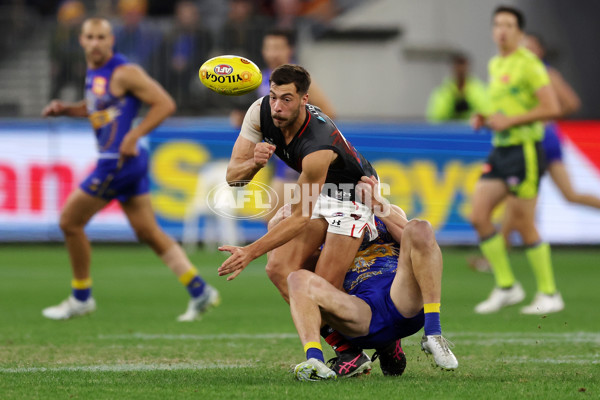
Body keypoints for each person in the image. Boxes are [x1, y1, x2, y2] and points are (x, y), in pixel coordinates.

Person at [40, 18, 219, 322]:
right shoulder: (97, 71)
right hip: (128, 163)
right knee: (148, 232)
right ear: (81, 41)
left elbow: (165, 104)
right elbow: (98, 105)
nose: (95, 43)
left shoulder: (125, 72)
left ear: (112, 41)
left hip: (116, 162)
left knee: (70, 222)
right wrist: (68, 109)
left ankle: (81, 296)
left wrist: (135, 135)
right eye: (90, 37)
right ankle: (199, 290)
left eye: (101, 37)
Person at [218, 64, 378, 376]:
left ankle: (385, 342)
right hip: (314, 191)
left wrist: (249, 251)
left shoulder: (317, 143)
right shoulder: (259, 112)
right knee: (279, 269)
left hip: (352, 193)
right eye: (274, 96)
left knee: (324, 288)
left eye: (287, 99)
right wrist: (254, 162)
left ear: (304, 99)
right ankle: (345, 352)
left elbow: (300, 216)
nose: (277, 107)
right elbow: (233, 178)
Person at [280, 176, 458, 380]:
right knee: (296, 279)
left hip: (402, 296)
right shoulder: (320, 225)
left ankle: (433, 332)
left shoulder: (385, 212)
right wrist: (283, 221)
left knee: (420, 227)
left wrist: (378, 204)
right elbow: (296, 265)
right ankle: (315, 361)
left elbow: (420, 243)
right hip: (359, 311)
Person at [469, 6, 563, 315]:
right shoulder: (497, 63)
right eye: (498, 24)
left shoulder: (529, 64)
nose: (502, 30)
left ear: (519, 32)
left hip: (524, 150)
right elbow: (505, 107)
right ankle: (507, 286)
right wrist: (486, 118)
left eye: (509, 25)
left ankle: (550, 293)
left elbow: (552, 107)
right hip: (501, 149)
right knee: (478, 214)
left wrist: (511, 122)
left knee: (523, 222)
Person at [258, 28, 336, 221]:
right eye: (269, 47)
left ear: (289, 50)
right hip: (278, 159)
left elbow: (329, 112)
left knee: (280, 219)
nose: (273, 53)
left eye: (278, 47)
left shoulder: (299, 81)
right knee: (275, 220)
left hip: (297, 161)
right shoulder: (263, 78)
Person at [426, 53, 489, 123]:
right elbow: (435, 118)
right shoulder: (443, 91)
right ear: (452, 67)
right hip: (448, 132)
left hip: (472, 132)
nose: (460, 69)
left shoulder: (479, 89)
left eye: (462, 64)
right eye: (457, 65)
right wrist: (452, 101)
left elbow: (486, 113)